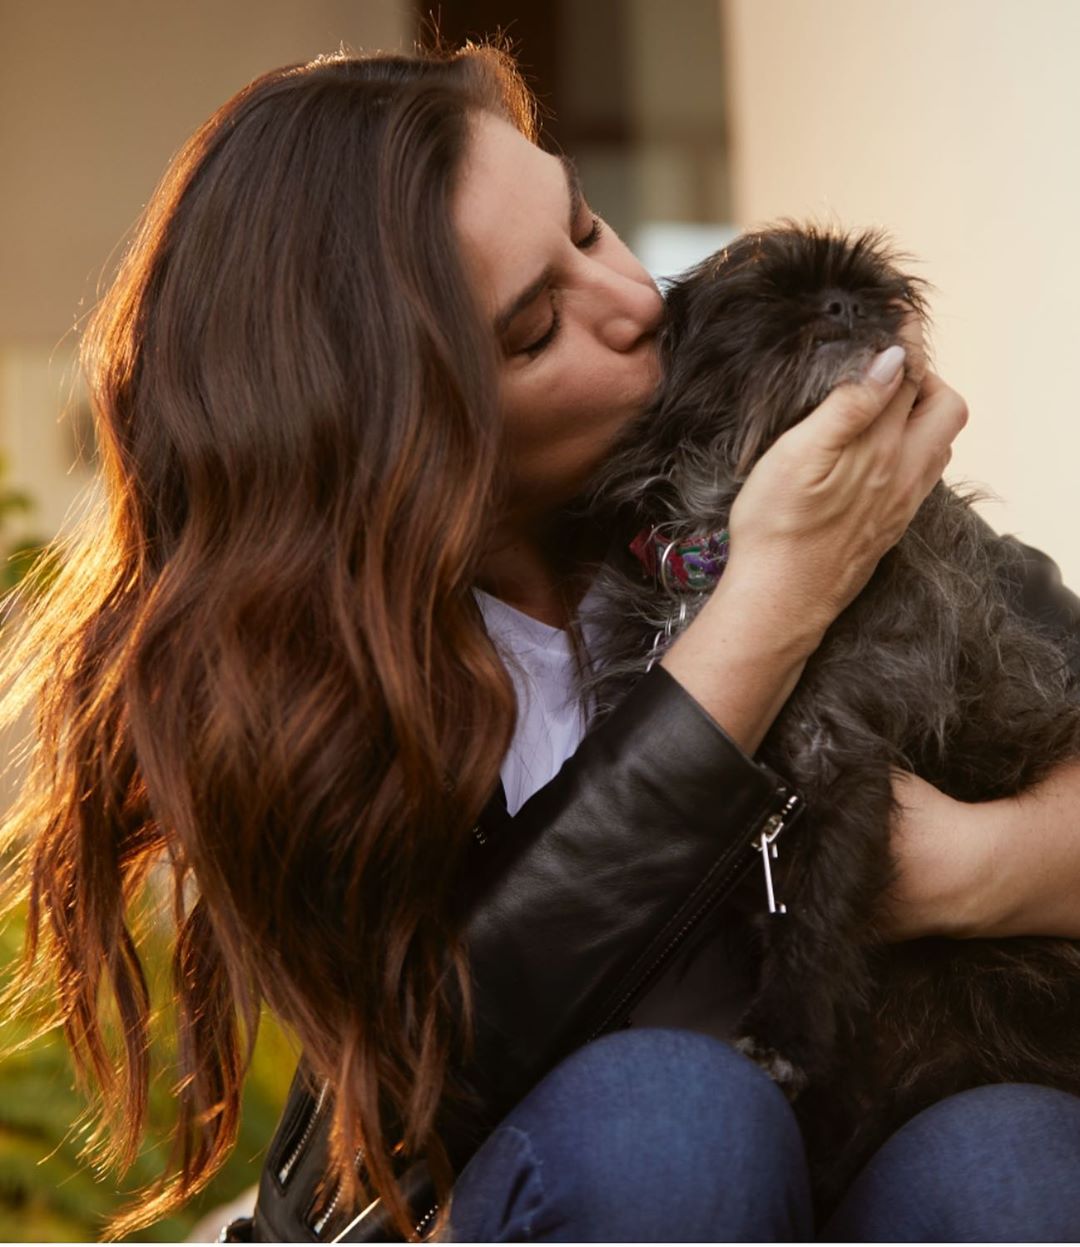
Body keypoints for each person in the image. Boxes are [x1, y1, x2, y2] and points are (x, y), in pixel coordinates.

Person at [5, 42, 1080, 1244]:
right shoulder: (324, 700)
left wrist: (969, 869)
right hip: (609, 1180)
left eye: (586, 227)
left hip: (893, 1129)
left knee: (1014, 1159)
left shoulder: (760, 449)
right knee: (672, 1125)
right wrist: (775, 599)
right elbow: (441, 1069)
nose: (635, 303)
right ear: (410, 441)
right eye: (534, 332)